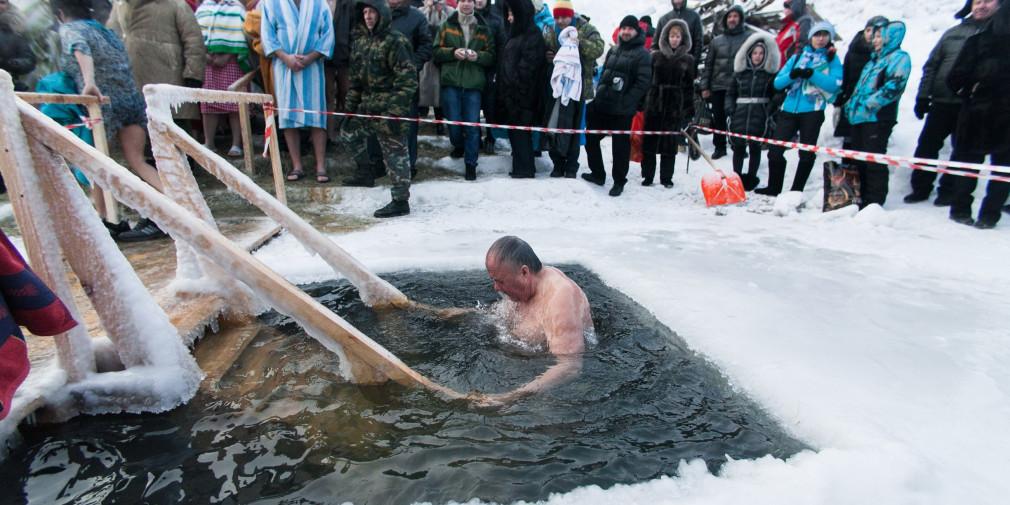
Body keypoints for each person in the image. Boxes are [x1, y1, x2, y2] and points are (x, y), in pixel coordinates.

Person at [53, 0, 167, 241]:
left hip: (102, 103)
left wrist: (88, 82)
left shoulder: (70, 29)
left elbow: (79, 47)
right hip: (130, 99)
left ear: (61, 14)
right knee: (137, 161)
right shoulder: (104, 30)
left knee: (94, 164)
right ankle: (175, 209)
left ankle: (105, 222)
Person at [480, 236, 592, 405]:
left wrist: (510, 397)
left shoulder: (560, 296)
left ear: (524, 272)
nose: (496, 288)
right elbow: (496, 315)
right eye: (494, 280)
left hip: (559, 394)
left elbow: (570, 366)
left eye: (500, 281)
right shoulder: (522, 289)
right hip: (521, 366)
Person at [905, 0, 997, 206]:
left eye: (988, 1)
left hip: (972, 105)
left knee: (962, 150)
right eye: (977, 2)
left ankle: (947, 191)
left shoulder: (998, 36)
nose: (981, 6)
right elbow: (932, 65)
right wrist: (923, 95)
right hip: (941, 101)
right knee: (927, 146)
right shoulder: (952, 33)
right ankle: (920, 188)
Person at [340, 0, 417, 218]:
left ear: (381, 13)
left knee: (395, 155)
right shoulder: (361, 42)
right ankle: (366, 172)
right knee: (348, 134)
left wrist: (394, 112)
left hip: (390, 109)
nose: (368, 16)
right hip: (367, 106)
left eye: (371, 11)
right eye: (364, 12)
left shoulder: (397, 42)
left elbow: (408, 81)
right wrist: (349, 110)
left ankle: (400, 201)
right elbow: (355, 81)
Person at [946, 0, 1010, 229]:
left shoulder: (976, 41)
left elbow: (954, 79)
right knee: (999, 171)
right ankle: (985, 216)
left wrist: (971, 94)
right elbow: (954, 79)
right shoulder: (977, 42)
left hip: (978, 115)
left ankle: (965, 211)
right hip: (985, 117)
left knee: (973, 167)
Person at [758, 21, 841, 196]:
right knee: (775, 150)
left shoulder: (831, 59)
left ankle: (797, 190)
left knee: (807, 153)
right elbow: (778, 83)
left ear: (829, 38)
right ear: (811, 37)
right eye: (817, 35)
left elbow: (834, 85)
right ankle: (774, 187)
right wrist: (793, 75)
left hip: (813, 110)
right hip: (789, 108)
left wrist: (813, 74)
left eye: (825, 35)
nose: (820, 39)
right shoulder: (797, 57)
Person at [261, 0, 334, 183]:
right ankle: (297, 165)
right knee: (288, 115)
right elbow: (268, 35)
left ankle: (320, 166)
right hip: (284, 67)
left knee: (317, 115)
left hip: (313, 66)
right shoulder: (272, 4)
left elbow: (327, 35)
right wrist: (286, 58)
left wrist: (310, 58)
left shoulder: (319, 4)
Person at [843, 20, 910, 208]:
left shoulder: (899, 58)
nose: (875, 39)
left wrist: (869, 104)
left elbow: (895, 85)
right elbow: (859, 87)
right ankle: (860, 196)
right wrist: (851, 106)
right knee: (858, 159)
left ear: (891, 37)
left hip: (877, 117)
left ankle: (874, 200)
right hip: (859, 117)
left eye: (880, 36)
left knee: (873, 159)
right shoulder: (874, 60)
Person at [581, 16, 650, 197]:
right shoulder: (614, 50)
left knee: (620, 148)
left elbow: (642, 84)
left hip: (622, 110)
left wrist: (628, 102)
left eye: (630, 29)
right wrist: (597, 100)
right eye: (623, 28)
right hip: (603, 105)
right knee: (591, 139)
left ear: (636, 31)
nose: (626, 32)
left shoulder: (643, 54)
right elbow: (604, 76)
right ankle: (598, 174)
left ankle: (619, 181)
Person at [107, 0, 206, 124]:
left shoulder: (175, 5)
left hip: (170, 86)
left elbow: (193, 41)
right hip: (133, 84)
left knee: (175, 133)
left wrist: (193, 75)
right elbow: (111, 38)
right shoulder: (120, 6)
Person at [363, 0, 431, 179]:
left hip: (405, 83)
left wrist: (410, 66)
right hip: (377, 82)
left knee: (406, 124)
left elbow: (426, 46)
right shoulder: (374, 14)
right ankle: (377, 163)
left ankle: (409, 166)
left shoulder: (417, 17)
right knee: (375, 121)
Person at [433, 0, 495, 180]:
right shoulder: (446, 26)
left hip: (474, 84)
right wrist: (452, 53)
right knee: (453, 123)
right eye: (463, 0)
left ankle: (471, 164)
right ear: (458, 3)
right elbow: (436, 51)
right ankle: (458, 145)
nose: (467, 4)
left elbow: (491, 56)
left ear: (474, 4)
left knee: (473, 125)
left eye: (470, 1)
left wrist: (478, 57)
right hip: (451, 82)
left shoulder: (483, 28)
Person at [542, 0, 604, 178]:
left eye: (564, 17)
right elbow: (546, 49)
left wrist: (579, 43)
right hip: (557, 88)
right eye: (558, 17)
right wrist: (549, 56)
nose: (560, 21)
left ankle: (571, 166)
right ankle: (557, 164)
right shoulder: (551, 30)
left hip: (579, 90)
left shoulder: (586, 28)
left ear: (571, 15)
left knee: (575, 130)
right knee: (554, 125)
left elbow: (599, 49)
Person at [640, 19, 694, 188]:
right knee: (649, 142)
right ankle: (647, 176)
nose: (675, 39)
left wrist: (687, 110)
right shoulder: (654, 56)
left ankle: (666, 178)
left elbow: (689, 87)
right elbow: (646, 81)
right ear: (665, 37)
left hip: (674, 107)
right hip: (654, 104)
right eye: (672, 35)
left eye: (678, 36)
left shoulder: (688, 60)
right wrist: (642, 103)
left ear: (683, 38)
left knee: (669, 144)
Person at [496, 0, 546, 179]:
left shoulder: (532, 35)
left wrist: (515, 91)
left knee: (521, 134)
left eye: (512, 14)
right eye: (507, 14)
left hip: (523, 97)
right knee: (515, 134)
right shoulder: (515, 34)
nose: (509, 18)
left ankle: (525, 170)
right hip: (511, 96)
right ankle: (520, 167)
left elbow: (528, 69)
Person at [699, 4, 754, 160]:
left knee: (738, 119)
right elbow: (709, 65)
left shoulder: (748, 38)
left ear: (740, 19)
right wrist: (705, 86)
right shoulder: (717, 41)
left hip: (739, 86)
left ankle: (740, 147)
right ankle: (720, 147)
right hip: (719, 85)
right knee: (719, 118)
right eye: (729, 16)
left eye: (735, 16)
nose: (732, 19)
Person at [726, 31, 778, 191]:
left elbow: (776, 94)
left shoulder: (769, 76)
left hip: (759, 113)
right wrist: (730, 109)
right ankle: (736, 176)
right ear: (749, 54)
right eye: (755, 53)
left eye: (761, 53)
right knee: (738, 147)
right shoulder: (740, 74)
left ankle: (751, 177)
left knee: (755, 147)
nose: (757, 56)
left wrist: (769, 110)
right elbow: (730, 93)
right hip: (740, 113)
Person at [195, 0, 248, 158]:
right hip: (209, 64)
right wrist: (205, 56)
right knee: (208, 104)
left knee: (235, 104)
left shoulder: (237, 8)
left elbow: (240, 35)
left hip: (231, 62)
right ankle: (209, 142)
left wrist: (227, 55)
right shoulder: (203, 9)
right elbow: (195, 36)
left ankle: (237, 144)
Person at [833, 15, 888, 149]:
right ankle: (846, 167)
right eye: (868, 30)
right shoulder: (853, 50)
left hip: (872, 106)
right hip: (851, 101)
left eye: (876, 31)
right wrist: (840, 98)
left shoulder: (886, 55)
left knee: (866, 144)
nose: (871, 34)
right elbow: (845, 76)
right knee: (849, 139)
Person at [419, 0, 454, 135]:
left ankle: (440, 122)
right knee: (424, 89)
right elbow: (422, 27)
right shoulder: (420, 11)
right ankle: (421, 116)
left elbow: (448, 29)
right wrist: (428, 10)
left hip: (442, 57)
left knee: (438, 92)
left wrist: (441, 12)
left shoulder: (450, 12)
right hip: (426, 57)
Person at [476, 0, 505, 154]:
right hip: (471, 69)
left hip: (490, 70)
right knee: (472, 107)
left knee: (490, 108)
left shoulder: (496, 19)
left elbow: (501, 46)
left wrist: (498, 70)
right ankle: (476, 137)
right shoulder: (464, 16)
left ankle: (491, 137)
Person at [0, 0, 36, 92]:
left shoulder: (14, 31)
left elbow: (29, 60)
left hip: (6, 87)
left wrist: (10, 63)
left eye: (2, 2)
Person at [775, 0, 813, 66]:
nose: (785, 10)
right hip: (777, 66)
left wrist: (793, 65)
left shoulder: (804, 21)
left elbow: (802, 45)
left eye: (787, 6)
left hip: (786, 67)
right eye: (785, 7)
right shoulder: (790, 23)